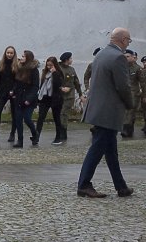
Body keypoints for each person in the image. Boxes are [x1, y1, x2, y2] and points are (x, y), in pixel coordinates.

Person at [77, 28, 134, 198]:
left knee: (110, 150)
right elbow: (123, 86)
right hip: (108, 111)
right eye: (129, 40)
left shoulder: (101, 54)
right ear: (123, 40)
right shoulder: (118, 57)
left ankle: (121, 186)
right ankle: (84, 184)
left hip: (99, 109)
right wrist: (130, 104)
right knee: (97, 149)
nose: (128, 44)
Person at [11, 50, 40, 148]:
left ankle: (35, 133)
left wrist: (29, 99)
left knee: (27, 118)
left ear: (28, 58)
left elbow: (35, 86)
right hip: (19, 97)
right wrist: (13, 92)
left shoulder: (34, 70)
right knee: (18, 119)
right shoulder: (20, 68)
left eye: (23, 56)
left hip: (29, 99)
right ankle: (20, 141)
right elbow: (17, 83)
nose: (21, 58)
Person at [35, 57, 64, 145]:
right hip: (45, 97)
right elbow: (42, 85)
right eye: (47, 65)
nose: (49, 67)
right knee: (41, 117)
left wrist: (54, 72)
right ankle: (36, 137)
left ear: (55, 65)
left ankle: (58, 137)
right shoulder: (45, 73)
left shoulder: (58, 73)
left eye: (51, 65)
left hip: (55, 98)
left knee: (56, 118)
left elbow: (58, 84)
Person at [0, 46, 19, 142]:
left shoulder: (17, 65)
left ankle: (12, 133)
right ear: (5, 53)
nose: (9, 54)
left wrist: (14, 90)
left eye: (11, 53)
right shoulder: (1, 64)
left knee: (14, 113)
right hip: (3, 91)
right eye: (8, 52)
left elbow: (18, 80)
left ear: (14, 54)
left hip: (13, 92)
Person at [58, 52, 85, 143]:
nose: (71, 60)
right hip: (59, 96)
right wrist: (61, 88)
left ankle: (63, 132)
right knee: (60, 113)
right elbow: (54, 82)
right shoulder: (59, 68)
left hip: (69, 96)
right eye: (70, 58)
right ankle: (60, 131)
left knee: (64, 113)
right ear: (66, 60)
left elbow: (76, 83)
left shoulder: (72, 69)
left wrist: (80, 94)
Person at [121, 49, 141, 138]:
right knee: (126, 111)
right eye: (124, 57)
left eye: (128, 56)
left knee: (130, 111)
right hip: (124, 92)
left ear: (133, 57)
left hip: (134, 92)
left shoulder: (137, 68)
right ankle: (129, 128)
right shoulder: (120, 67)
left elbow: (142, 82)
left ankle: (125, 128)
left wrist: (144, 93)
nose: (126, 58)